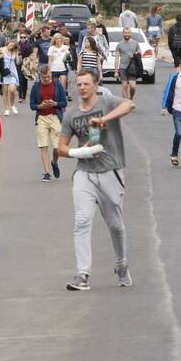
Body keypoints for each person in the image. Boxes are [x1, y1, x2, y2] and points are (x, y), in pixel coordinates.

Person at [58, 70, 136, 291]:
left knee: (115, 226)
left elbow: (129, 105)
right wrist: (77, 153)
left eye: (86, 84)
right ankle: (82, 274)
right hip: (85, 173)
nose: (82, 87)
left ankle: (121, 264)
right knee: (82, 221)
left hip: (111, 171)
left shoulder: (107, 101)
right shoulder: (71, 114)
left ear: (95, 85)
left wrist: (104, 119)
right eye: (79, 84)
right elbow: (61, 148)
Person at [30, 64, 68, 181]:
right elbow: (32, 105)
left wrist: (55, 104)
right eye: (44, 77)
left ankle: (54, 162)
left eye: (48, 77)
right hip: (42, 118)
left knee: (57, 148)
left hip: (55, 117)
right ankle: (46, 172)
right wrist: (40, 106)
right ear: (40, 76)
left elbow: (64, 103)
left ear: (50, 74)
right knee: (44, 145)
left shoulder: (57, 85)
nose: (46, 79)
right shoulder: (36, 87)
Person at [114, 26, 141, 100]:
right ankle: (126, 102)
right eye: (125, 33)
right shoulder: (119, 44)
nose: (127, 34)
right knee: (124, 86)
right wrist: (116, 71)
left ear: (130, 33)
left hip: (132, 67)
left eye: (128, 33)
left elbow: (140, 54)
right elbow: (116, 58)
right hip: (123, 67)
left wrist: (135, 55)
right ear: (123, 33)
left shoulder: (135, 43)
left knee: (133, 87)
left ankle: (131, 98)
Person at [0, 40, 21, 115]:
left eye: (12, 46)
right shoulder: (1, 49)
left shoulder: (15, 51)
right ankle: (6, 109)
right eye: (10, 45)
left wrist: (20, 60)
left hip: (12, 72)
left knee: (12, 90)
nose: (10, 46)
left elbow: (17, 63)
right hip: (4, 72)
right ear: (8, 43)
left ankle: (12, 104)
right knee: (5, 92)